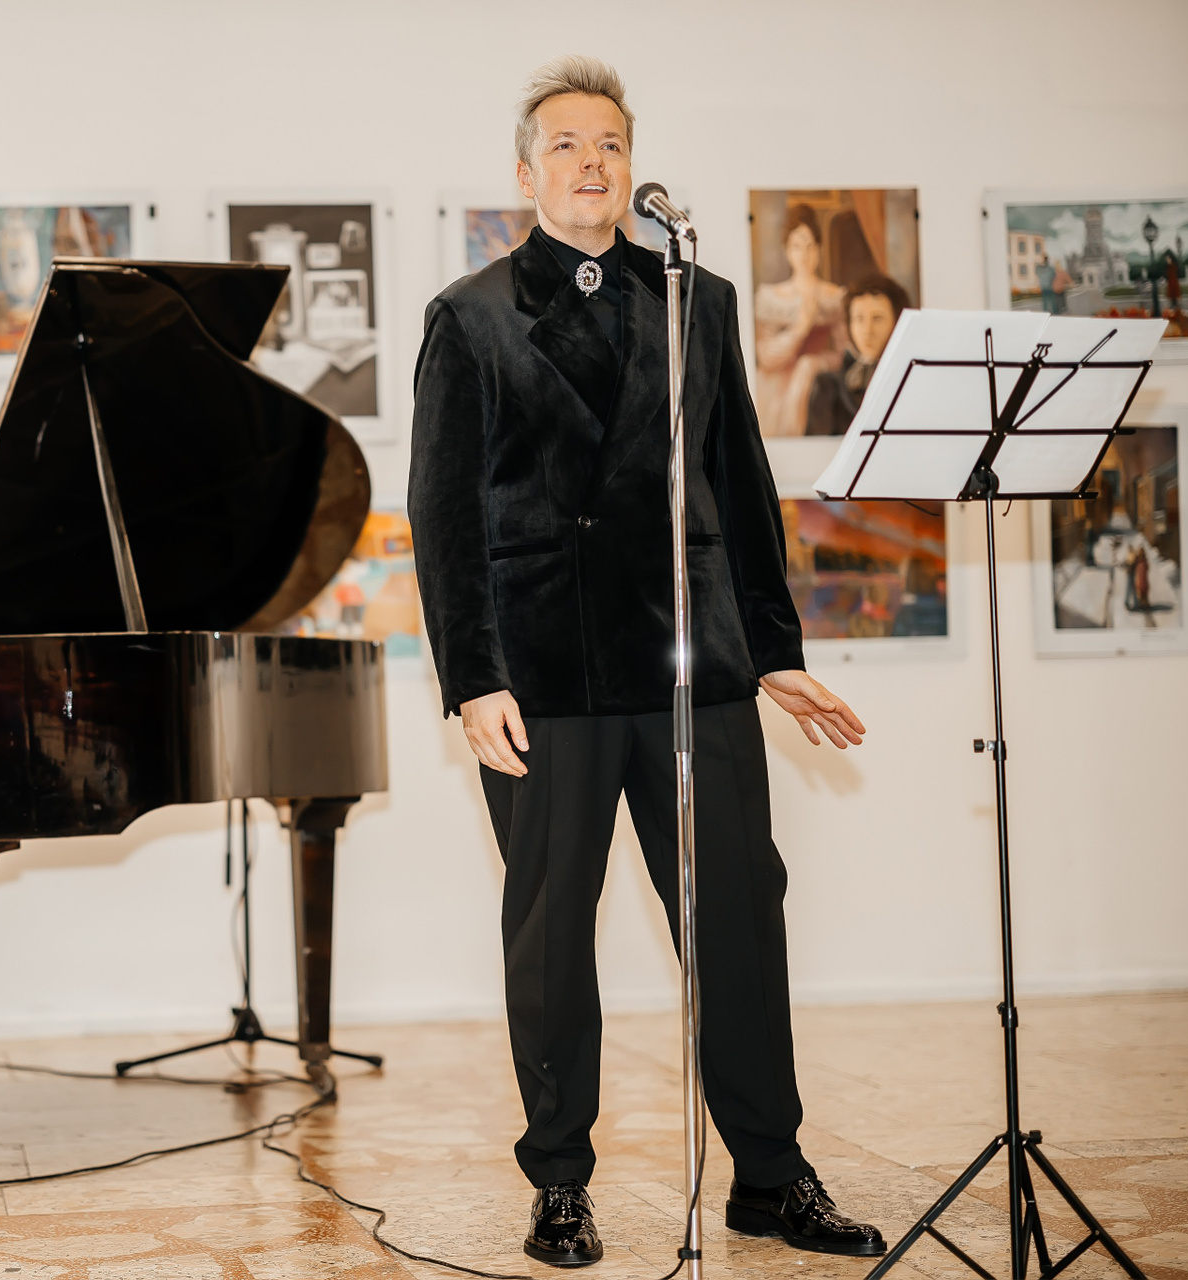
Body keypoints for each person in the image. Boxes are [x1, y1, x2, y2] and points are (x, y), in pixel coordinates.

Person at [409, 56, 886, 1268]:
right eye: (567, 145)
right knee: (550, 936)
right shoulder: (470, 316)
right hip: (544, 676)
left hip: (692, 667)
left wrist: (772, 649)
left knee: (740, 920)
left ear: (633, 166)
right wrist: (472, 678)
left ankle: (770, 1175)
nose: (593, 161)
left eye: (611, 143)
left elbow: (741, 481)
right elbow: (443, 515)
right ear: (527, 173)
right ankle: (559, 1180)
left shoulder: (698, 300)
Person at [753, 203, 846, 436]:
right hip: (774, 392)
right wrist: (800, 329)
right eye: (796, 246)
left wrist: (813, 364)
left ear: (819, 249)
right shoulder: (771, 297)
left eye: (810, 246)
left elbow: (844, 353)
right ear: (786, 250)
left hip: (817, 387)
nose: (804, 255)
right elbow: (765, 356)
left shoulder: (834, 297)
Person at [805, 274, 910, 436]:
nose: (867, 331)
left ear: (897, 322)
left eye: (878, 318)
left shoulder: (910, 380)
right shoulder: (828, 386)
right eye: (859, 319)